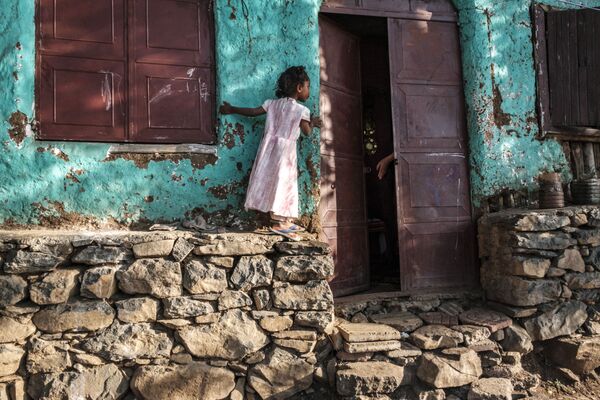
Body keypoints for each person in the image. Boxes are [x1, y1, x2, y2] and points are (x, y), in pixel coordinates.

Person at [219, 66, 322, 240]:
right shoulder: (302, 111)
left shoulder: (272, 104)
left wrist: (232, 109)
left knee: (269, 181)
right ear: (299, 88)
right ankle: (281, 223)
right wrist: (313, 123)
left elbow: (252, 112)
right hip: (286, 153)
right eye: (308, 86)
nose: (308, 90)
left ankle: (282, 219)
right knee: (285, 184)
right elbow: (307, 133)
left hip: (268, 149)